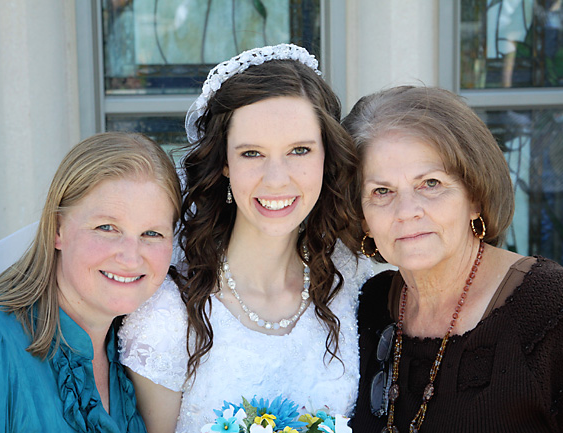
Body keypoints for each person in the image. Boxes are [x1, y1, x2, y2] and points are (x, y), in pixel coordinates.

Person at [118, 44, 372, 433]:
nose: (276, 179)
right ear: (224, 163)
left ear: (326, 156)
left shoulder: (352, 280)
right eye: (252, 153)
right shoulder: (167, 315)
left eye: (299, 150)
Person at [342, 86, 563, 432]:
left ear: (474, 196)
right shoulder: (368, 309)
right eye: (382, 191)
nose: (407, 212)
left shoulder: (555, 311)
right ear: (362, 219)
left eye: (430, 183)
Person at [0, 132, 181, 432]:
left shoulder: (134, 361)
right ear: (58, 229)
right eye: (107, 227)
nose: (130, 257)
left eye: (152, 234)